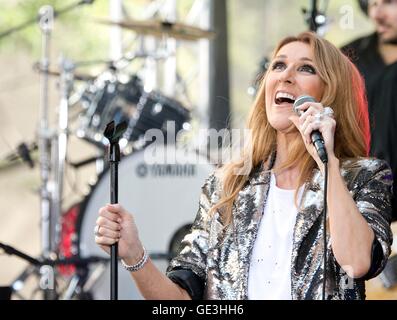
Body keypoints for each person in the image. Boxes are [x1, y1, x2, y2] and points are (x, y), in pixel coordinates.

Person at [94, 31, 393, 300]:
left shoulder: (363, 177)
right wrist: (134, 254)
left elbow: (357, 261)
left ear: (332, 94)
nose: (285, 76)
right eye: (278, 65)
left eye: (305, 68)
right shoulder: (227, 186)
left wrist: (327, 164)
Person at [342, 0, 397, 221]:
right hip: (358, 205)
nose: (377, 13)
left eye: (389, 2)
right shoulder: (347, 58)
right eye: (372, 4)